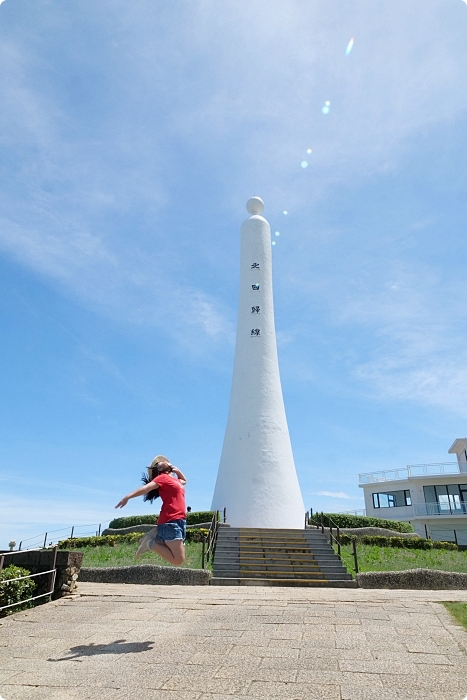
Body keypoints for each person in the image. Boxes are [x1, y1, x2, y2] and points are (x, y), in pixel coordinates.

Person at [115, 458, 187, 565]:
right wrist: (128, 497)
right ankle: (150, 543)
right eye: (158, 463)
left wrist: (177, 471)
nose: (164, 461)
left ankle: (155, 537)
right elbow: (146, 489)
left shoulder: (175, 481)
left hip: (180, 521)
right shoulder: (161, 478)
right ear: (159, 469)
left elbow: (184, 481)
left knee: (179, 558)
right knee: (178, 560)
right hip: (170, 521)